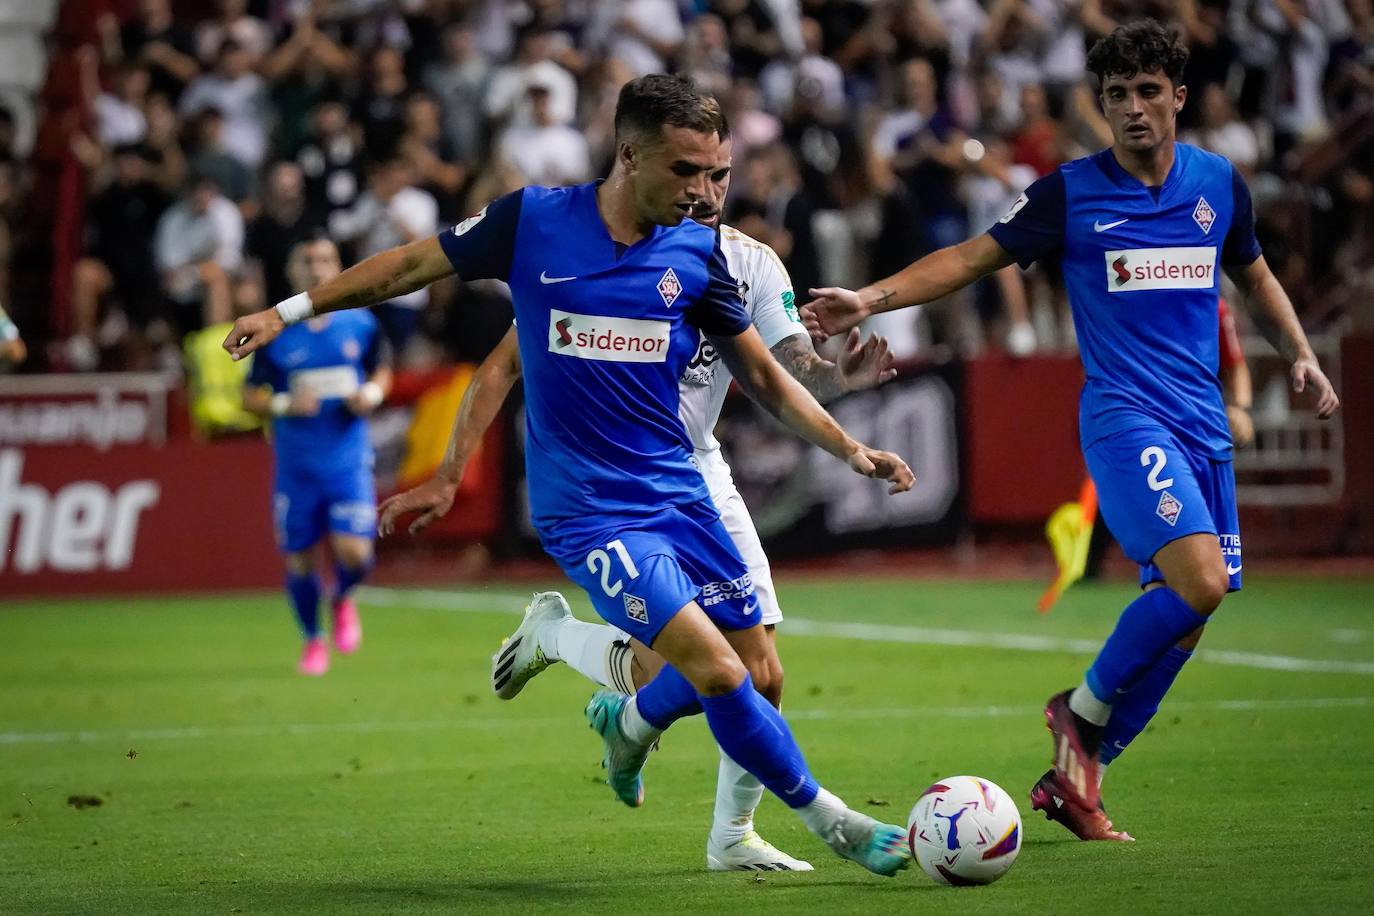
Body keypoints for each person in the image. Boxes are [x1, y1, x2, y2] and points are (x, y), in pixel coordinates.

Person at [225, 74, 914, 876]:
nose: (703, 193)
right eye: (685, 171)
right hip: (589, 505)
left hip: (682, 492)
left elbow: (765, 376)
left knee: (755, 670)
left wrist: (851, 449)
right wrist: (289, 310)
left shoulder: (700, 257)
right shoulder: (535, 222)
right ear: (628, 154)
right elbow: (408, 269)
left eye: (716, 173)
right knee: (719, 670)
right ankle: (833, 823)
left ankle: (625, 728)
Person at [802, 21, 1339, 841]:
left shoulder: (1218, 185)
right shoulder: (1069, 193)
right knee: (1196, 582)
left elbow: (1254, 273)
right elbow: (973, 257)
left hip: (1203, 426)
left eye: (1147, 92)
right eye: (1115, 95)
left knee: (1191, 614)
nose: (1131, 109)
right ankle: (1078, 717)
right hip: (1128, 417)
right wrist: (869, 301)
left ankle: (1074, 781)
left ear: (1178, 99)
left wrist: (1299, 352)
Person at [241, 237, 391, 675]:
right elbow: (250, 396)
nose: (317, 268)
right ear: (294, 272)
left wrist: (372, 393)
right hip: (297, 465)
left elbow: (383, 367)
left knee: (355, 553)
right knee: (301, 559)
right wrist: (286, 404)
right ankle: (312, 639)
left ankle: (343, 597)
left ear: (339, 266)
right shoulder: (277, 333)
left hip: (347, 460)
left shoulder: (361, 325)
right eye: (307, 261)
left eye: (325, 260)